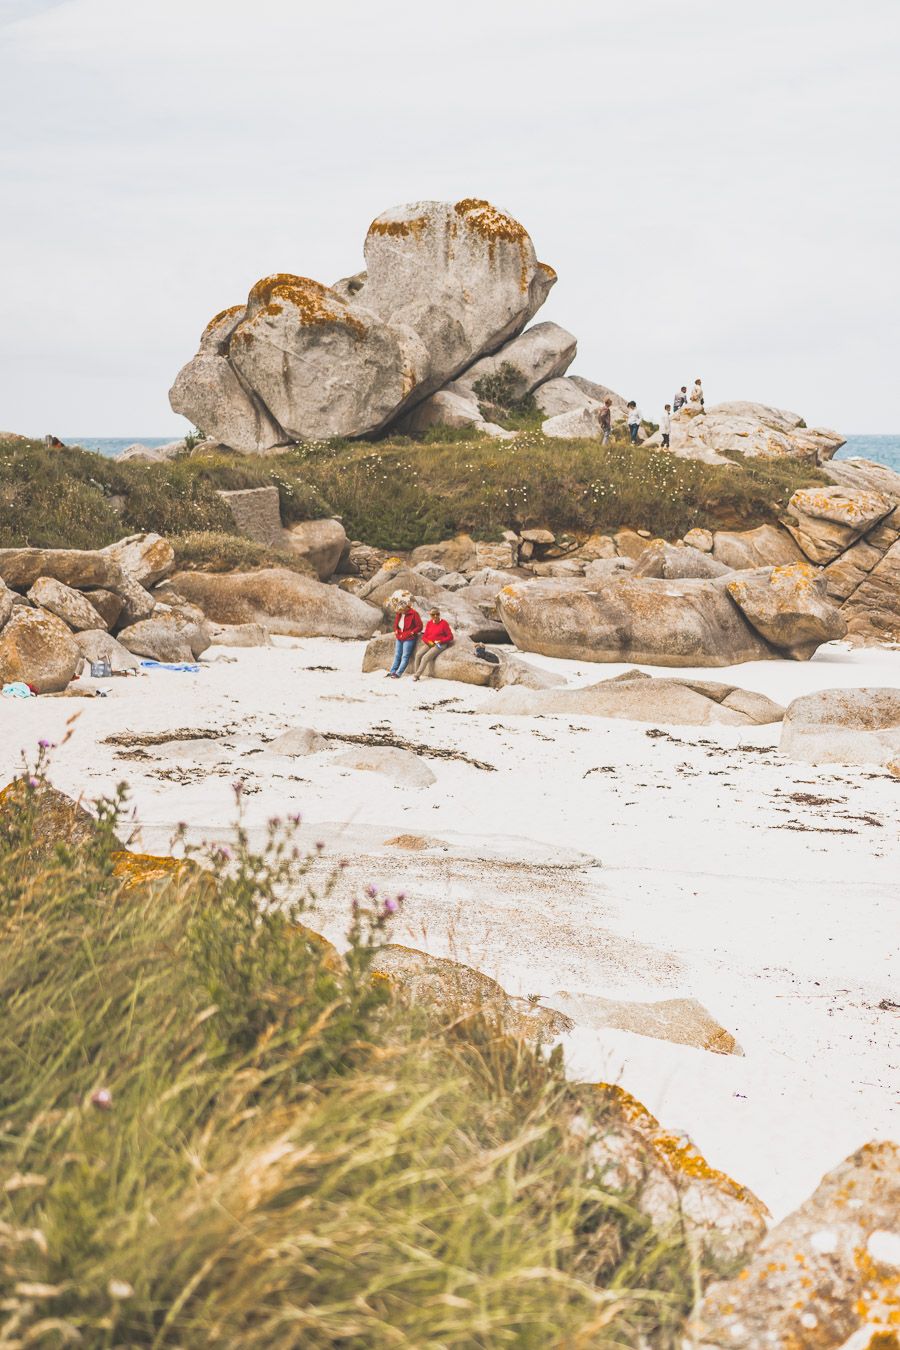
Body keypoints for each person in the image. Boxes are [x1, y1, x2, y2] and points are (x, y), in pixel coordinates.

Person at [412, 608, 454, 681]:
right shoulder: (429, 623)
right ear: (430, 615)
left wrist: (440, 641)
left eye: (437, 614)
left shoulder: (444, 623)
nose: (435, 616)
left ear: (439, 614)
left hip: (440, 644)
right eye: (433, 614)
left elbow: (450, 636)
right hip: (430, 643)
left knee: (425, 657)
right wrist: (429, 642)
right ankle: (417, 673)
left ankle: (416, 675)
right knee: (418, 654)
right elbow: (424, 637)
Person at [387, 600, 422, 678]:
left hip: (409, 638)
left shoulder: (414, 613)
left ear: (406, 608)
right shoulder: (399, 613)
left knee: (405, 656)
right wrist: (396, 631)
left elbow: (419, 627)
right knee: (397, 655)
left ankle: (398, 673)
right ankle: (392, 671)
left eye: (401, 610)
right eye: (399, 610)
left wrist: (412, 633)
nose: (400, 612)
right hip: (399, 637)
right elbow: (396, 625)